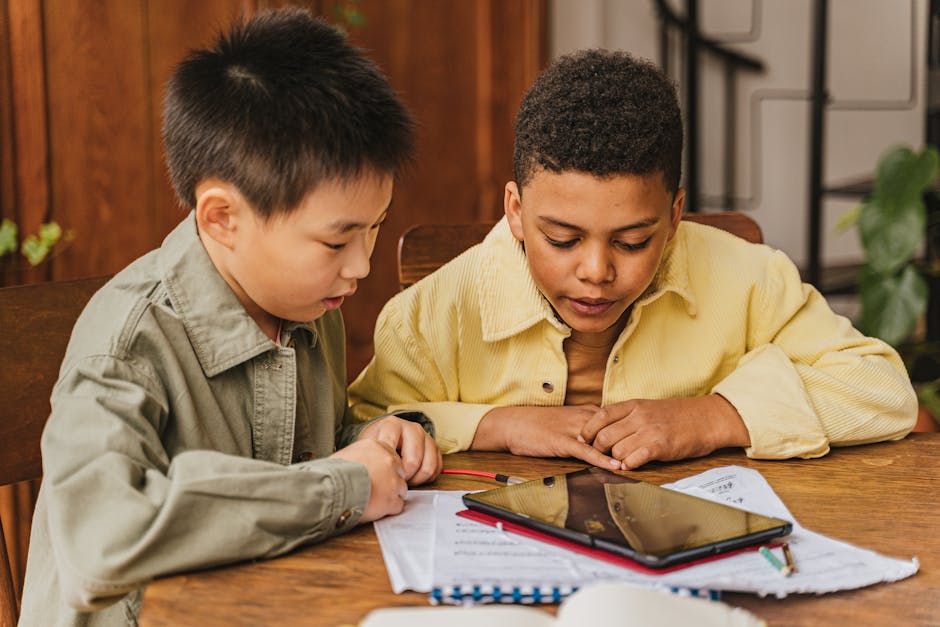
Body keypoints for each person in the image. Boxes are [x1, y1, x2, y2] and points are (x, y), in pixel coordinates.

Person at [19, 9, 441, 625]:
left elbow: (306, 456)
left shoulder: (306, 303)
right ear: (222, 217)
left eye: (375, 231)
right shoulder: (127, 343)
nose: (360, 267)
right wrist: (341, 486)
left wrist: (371, 441)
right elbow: (102, 541)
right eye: (336, 242)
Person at [348, 49, 917, 473]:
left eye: (633, 241)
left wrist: (713, 417)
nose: (596, 271)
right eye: (563, 239)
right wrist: (497, 424)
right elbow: (359, 429)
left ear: (674, 216)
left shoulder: (751, 280)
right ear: (516, 211)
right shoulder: (427, 315)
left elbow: (886, 393)